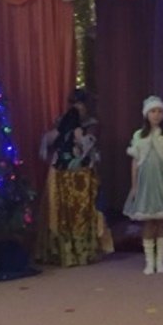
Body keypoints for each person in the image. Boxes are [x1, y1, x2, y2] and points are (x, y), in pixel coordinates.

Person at [37, 88, 102, 267]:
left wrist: (80, 138)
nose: (78, 107)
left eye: (81, 104)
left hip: (82, 174)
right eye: (74, 103)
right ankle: (61, 250)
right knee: (60, 210)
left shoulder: (91, 124)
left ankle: (81, 250)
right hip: (61, 172)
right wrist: (59, 133)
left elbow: (90, 146)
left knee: (80, 212)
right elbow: (49, 142)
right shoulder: (64, 121)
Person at [123, 96, 163, 274]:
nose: (156, 115)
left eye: (160, 111)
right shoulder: (139, 135)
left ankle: (160, 262)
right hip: (146, 183)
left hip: (162, 181)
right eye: (153, 111)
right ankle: (149, 262)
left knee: (161, 221)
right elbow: (135, 162)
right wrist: (134, 185)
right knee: (148, 221)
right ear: (146, 114)